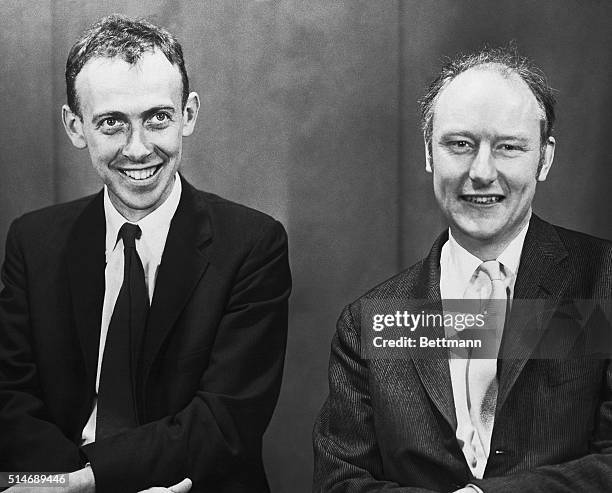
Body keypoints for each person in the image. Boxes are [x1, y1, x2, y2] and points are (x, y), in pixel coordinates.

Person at [0, 14, 291, 493]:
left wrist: (95, 481)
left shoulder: (253, 245)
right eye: (112, 122)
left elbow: (226, 420)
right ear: (75, 127)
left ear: (188, 115)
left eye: (157, 117)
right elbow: (10, 398)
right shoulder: (33, 243)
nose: (138, 149)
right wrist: (68, 484)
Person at [313, 46, 612, 492]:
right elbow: (340, 483)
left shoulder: (603, 281)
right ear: (430, 154)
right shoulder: (369, 320)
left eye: (509, 147)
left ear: (544, 158)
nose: (482, 171)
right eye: (460, 145)